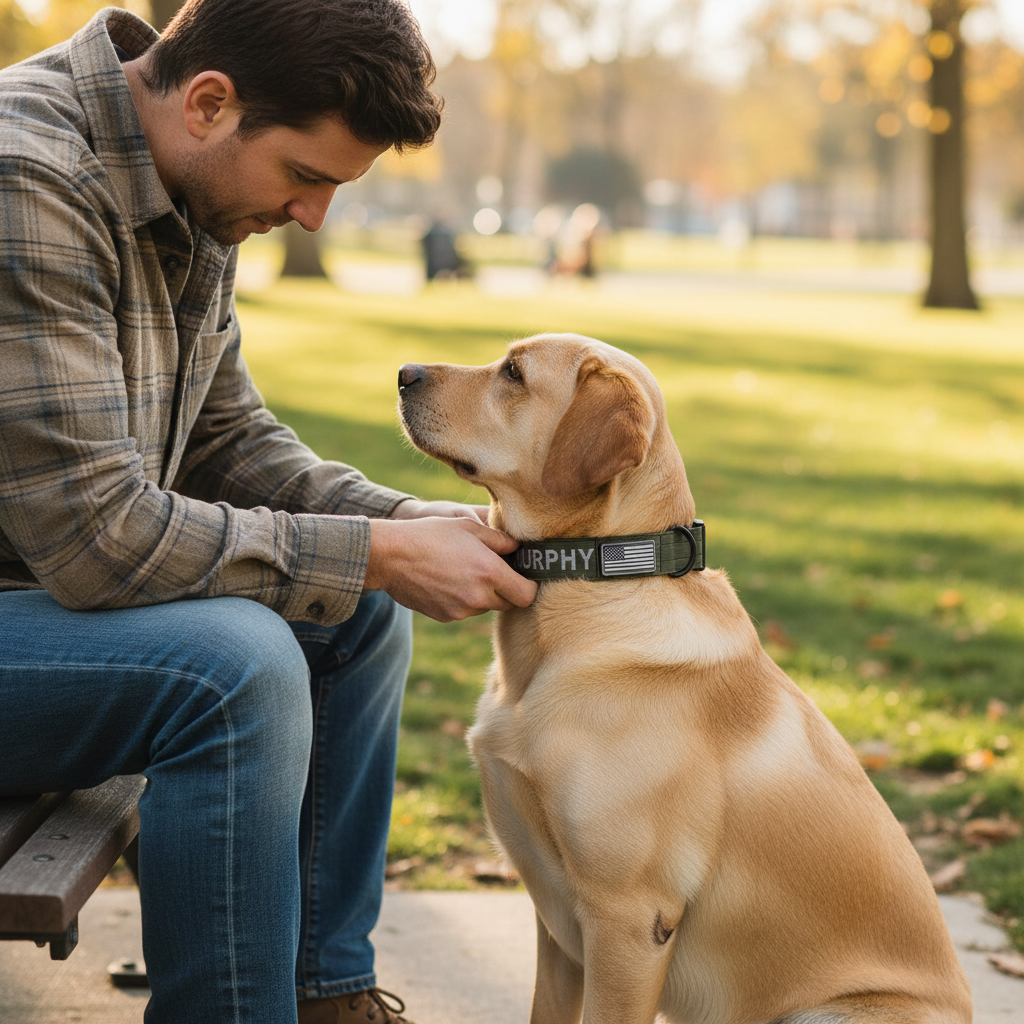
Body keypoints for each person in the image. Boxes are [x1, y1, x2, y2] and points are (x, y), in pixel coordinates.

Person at [0, 2, 536, 1022]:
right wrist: (373, 551)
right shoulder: (26, 175)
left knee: (355, 614)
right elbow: (96, 542)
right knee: (234, 667)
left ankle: (319, 992)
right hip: (36, 591)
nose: (313, 218)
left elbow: (228, 443)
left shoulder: (186, 181)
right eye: (307, 178)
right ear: (209, 103)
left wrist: (412, 526)